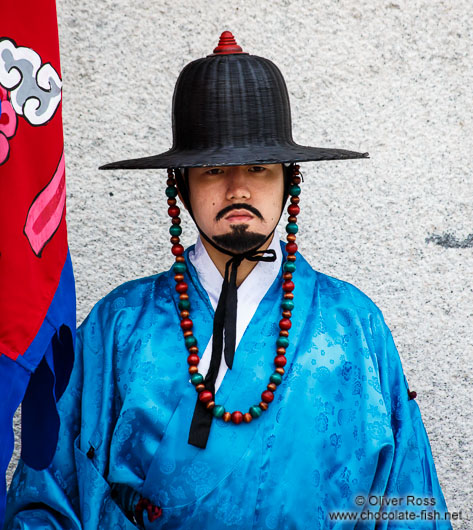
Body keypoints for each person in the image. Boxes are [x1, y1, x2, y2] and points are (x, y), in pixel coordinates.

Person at [4, 31, 451, 530]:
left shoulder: (353, 323)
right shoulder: (117, 326)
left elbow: (405, 499)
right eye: (213, 169)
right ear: (180, 184)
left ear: (290, 179)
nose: (238, 188)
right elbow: (49, 495)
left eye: (259, 168)